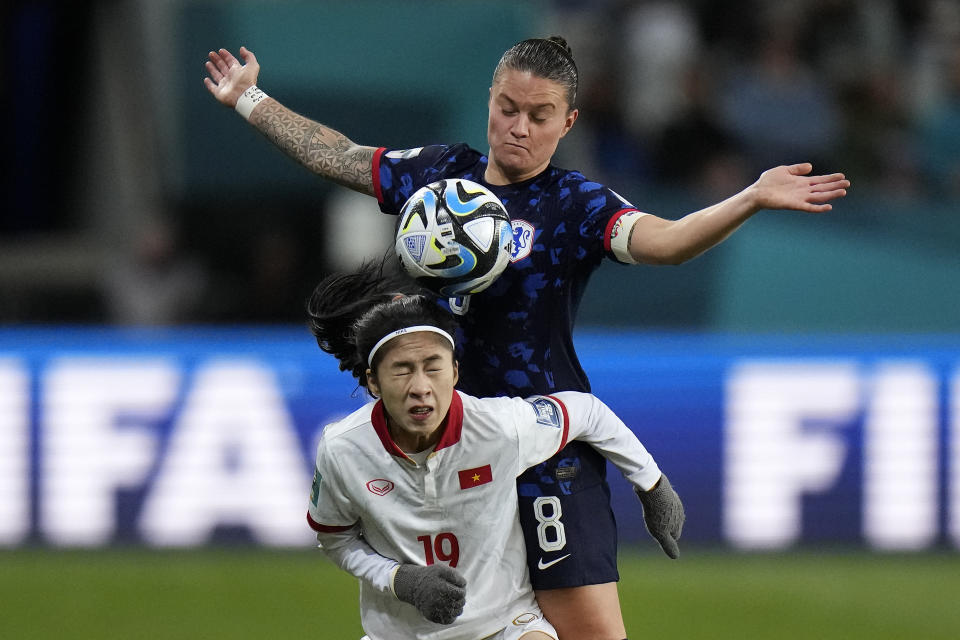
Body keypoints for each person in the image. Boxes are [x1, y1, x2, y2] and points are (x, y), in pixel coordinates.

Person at [204, 37, 850, 639]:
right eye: (508, 107)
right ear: (490, 100)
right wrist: (249, 98)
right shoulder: (439, 177)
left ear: (568, 122)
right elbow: (338, 154)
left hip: (544, 448)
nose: (518, 126)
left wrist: (751, 198)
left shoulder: (578, 205)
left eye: (539, 115)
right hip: (443, 449)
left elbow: (669, 243)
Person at [304, 260, 684, 640]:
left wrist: (652, 485)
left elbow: (588, 412)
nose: (420, 387)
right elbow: (335, 538)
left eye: (433, 368)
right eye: (402, 370)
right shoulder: (343, 448)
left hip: (503, 626)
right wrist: (399, 579)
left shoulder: (499, 428)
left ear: (455, 372)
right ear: (373, 382)